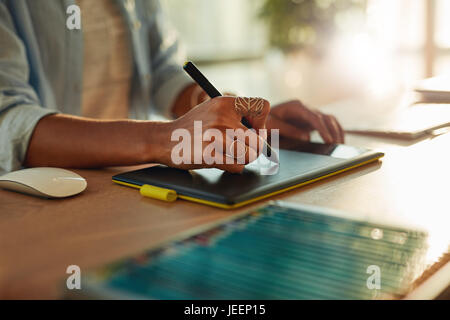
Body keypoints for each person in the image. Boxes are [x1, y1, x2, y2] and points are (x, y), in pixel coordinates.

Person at [0, 0, 344, 175]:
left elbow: (165, 73)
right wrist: (163, 139)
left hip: (127, 187)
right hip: (39, 204)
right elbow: (8, 121)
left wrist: (233, 113)